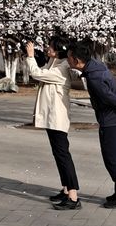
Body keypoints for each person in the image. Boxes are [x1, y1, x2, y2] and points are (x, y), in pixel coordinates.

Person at [25, 38, 81, 210]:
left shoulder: (61, 68)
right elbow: (44, 64)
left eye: (50, 47)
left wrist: (30, 56)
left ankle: (73, 196)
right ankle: (66, 190)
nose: (47, 48)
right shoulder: (54, 62)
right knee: (59, 155)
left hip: (57, 118)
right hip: (52, 118)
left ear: (58, 51)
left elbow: (37, 73)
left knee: (63, 156)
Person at [67, 40, 116, 207]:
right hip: (113, 118)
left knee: (112, 159)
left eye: (69, 57)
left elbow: (111, 99)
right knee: (115, 157)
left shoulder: (94, 76)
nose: (67, 60)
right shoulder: (95, 66)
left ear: (76, 60)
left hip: (111, 120)